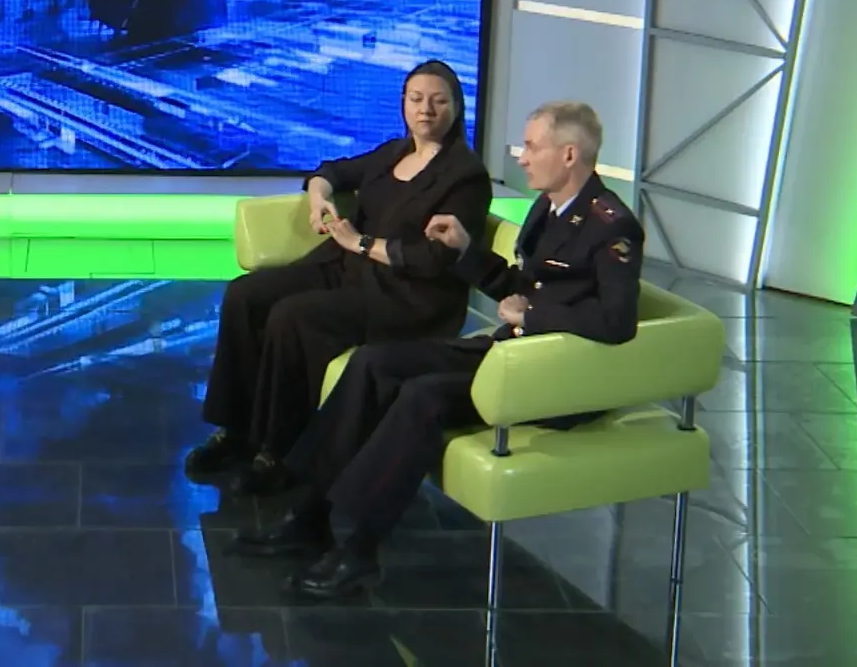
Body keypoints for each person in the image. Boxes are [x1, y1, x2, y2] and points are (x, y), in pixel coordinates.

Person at [234, 100, 645, 598]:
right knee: (373, 363)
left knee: (422, 396)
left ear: (569, 154)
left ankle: (360, 549)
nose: (521, 156)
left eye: (532, 146)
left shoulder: (611, 225)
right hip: (512, 354)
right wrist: (465, 251)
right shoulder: (549, 207)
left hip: (551, 377)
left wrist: (533, 318)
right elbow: (523, 288)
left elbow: (616, 322)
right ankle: (310, 513)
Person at [186, 60, 494, 495]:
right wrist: (320, 199)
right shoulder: (393, 152)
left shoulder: (466, 176)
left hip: (408, 295)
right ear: (403, 104)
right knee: (245, 294)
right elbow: (331, 171)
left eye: (438, 101)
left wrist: (362, 244)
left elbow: (435, 258)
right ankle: (236, 431)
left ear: (457, 108)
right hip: (347, 269)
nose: (426, 109)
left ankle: (279, 451)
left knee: (295, 316)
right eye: (416, 99)